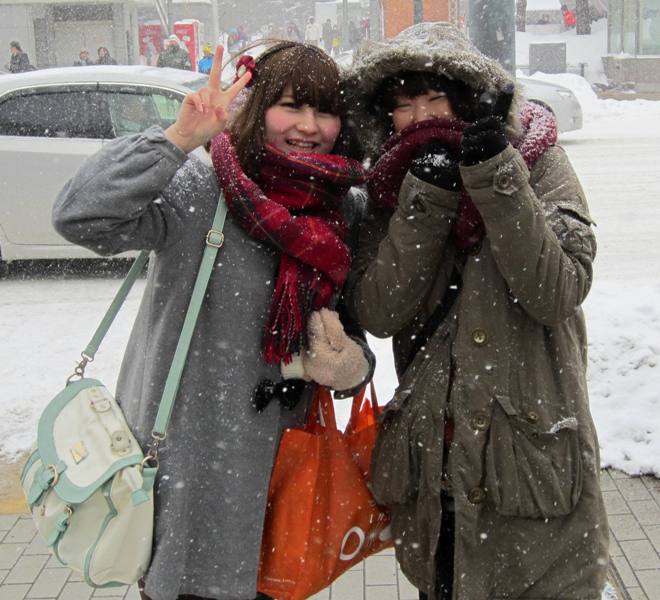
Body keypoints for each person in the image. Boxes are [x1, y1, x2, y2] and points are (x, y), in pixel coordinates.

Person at [53, 41, 373, 600]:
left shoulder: (343, 207)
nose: (308, 125)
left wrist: (350, 364)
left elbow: (353, 331)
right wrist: (177, 140)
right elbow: (81, 216)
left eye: (324, 110)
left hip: (284, 476)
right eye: (291, 106)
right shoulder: (201, 190)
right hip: (190, 467)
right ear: (258, 107)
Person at [345, 21, 608, 600]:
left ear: (465, 98)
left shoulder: (536, 162)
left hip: (530, 465)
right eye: (404, 104)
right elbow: (380, 311)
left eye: (434, 97)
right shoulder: (388, 191)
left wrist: (493, 174)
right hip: (432, 464)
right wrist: (426, 202)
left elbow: (557, 289)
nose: (418, 117)